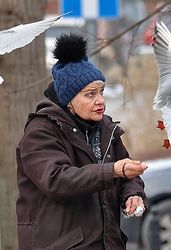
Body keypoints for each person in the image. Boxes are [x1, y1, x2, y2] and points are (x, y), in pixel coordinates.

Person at [16, 33, 148, 250]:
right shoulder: (40, 131)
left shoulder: (106, 127)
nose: (101, 101)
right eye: (90, 94)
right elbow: (57, 180)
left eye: (102, 92)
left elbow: (126, 172)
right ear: (69, 100)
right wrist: (112, 171)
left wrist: (133, 193)